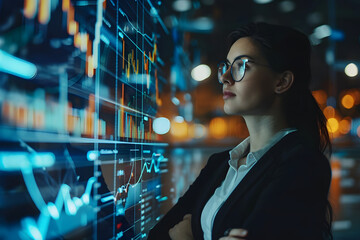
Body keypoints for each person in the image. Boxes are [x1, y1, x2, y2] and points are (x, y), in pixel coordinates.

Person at [148, 22, 333, 240]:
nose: (225, 77)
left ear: (282, 82)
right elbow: (157, 236)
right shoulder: (220, 164)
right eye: (226, 66)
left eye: (241, 65)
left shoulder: (302, 164)